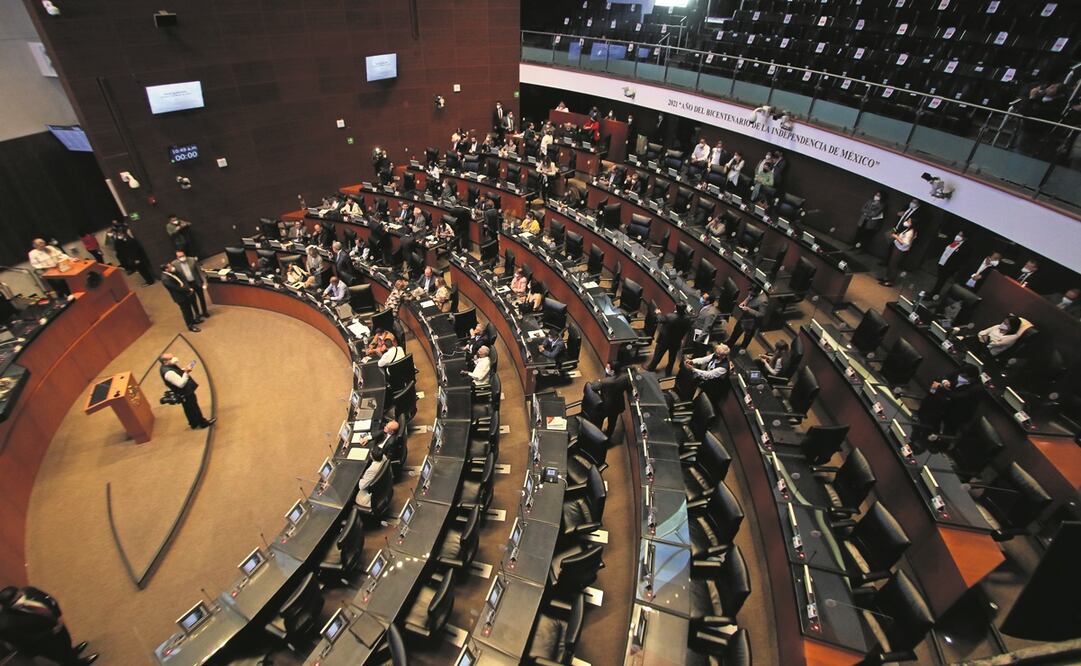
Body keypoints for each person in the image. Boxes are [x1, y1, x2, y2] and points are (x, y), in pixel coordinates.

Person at [0, 586, 98, 665]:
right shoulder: (7, 625)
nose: (20, 599)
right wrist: (52, 632)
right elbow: (27, 641)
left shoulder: (29, 591)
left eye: (19, 595)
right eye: (15, 601)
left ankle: (72, 652)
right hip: (46, 642)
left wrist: (58, 615)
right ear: (7, 606)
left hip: (56, 625)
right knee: (62, 656)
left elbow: (49, 600)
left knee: (66, 642)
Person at [916, 363, 981, 440]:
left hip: (958, 411)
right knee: (932, 395)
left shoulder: (976, 389)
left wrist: (941, 387)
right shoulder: (959, 373)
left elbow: (958, 396)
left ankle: (936, 431)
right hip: (948, 401)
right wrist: (944, 381)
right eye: (960, 374)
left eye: (963, 376)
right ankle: (922, 418)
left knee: (937, 399)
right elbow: (943, 377)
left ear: (972, 378)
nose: (959, 377)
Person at [159, 353, 215, 429]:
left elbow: (176, 374)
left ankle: (194, 424)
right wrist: (186, 373)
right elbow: (181, 384)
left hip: (183, 392)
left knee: (188, 408)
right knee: (194, 407)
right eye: (171, 358)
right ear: (165, 362)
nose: (174, 358)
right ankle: (203, 423)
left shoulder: (167, 367)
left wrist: (183, 370)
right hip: (184, 392)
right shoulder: (168, 372)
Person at [105, 219, 155, 285]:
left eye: (120, 234)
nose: (119, 235)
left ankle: (150, 281)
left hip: (137, 258)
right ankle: (149, 280)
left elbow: (135, 250)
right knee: (141, 270)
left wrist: (136, 259)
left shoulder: (129, 241)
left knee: (143, 270)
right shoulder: (125, 240)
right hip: (134, 258)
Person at [646, 305, 692, 376]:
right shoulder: (687, 319)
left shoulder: (670, 316)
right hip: (676, 341)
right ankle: (668, 372)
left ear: (676, 308)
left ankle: (651, 368)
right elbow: (688, 329)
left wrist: (658, 313)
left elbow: (660, 319)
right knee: (672, 358)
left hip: (664, 340)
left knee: (658, 354)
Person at [927, 231, 971, 297]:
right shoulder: (953, 242)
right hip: (942, 263)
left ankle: (933, 294)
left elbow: (961, 259)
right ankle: (933, 292)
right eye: (958, 234)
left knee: (941, 281)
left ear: (964, 238)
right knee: (939, 280)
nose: (958, 236)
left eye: (960, 235)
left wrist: (954, 268)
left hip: (948, 267)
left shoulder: (964, 247)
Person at [161, 263, 200, 332]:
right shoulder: (165, 279)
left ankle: (193, 321)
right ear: (166, 269)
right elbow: (176, 288)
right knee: (186, 311)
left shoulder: (170, 273)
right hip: (180, 297)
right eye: (170, 267)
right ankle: (190, 326)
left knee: (189, 309)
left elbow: (180, 280)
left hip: (184, 294)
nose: (172, 267)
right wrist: (188, 289)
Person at [173, 250, 210, 320]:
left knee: (201, 298)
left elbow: (199, 271)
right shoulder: (174, 264)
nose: (182, 257)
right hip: (188, 285)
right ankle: (197, 314)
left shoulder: (192, 260)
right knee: (193, 300)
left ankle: (204, 312)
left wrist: (204, 282)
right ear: (177, 257)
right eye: (180, 256)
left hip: (197, 282)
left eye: (183, 255)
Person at [727, 285, 767, 349]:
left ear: (757, 292)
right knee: (736, 330)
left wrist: (748, 309)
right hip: (744, 317)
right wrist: (745, 302)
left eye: (752, 293)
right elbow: (749, 296)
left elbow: (761, 314)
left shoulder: (763, 301)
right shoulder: (753, 291)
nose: (750, 294)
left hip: (751, 322)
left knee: (747, 336)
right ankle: (729, 344)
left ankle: (742, 348)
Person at [881, 218, 916, 287]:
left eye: (909, 221)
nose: (907, 222)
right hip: (897, 247)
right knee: (891, 263)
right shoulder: (908, 229)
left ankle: (890, 281)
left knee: (894, 265)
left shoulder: (910, 232)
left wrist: (896, 236)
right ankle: (886, 278)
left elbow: (905, 243)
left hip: (900, 250)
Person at [354, 445, 389, 510]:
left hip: (373, 495)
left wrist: (361, 478)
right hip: (384, 484)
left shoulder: (371, 470)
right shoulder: (383, 457)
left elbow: (361, 486)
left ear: (372, 457)